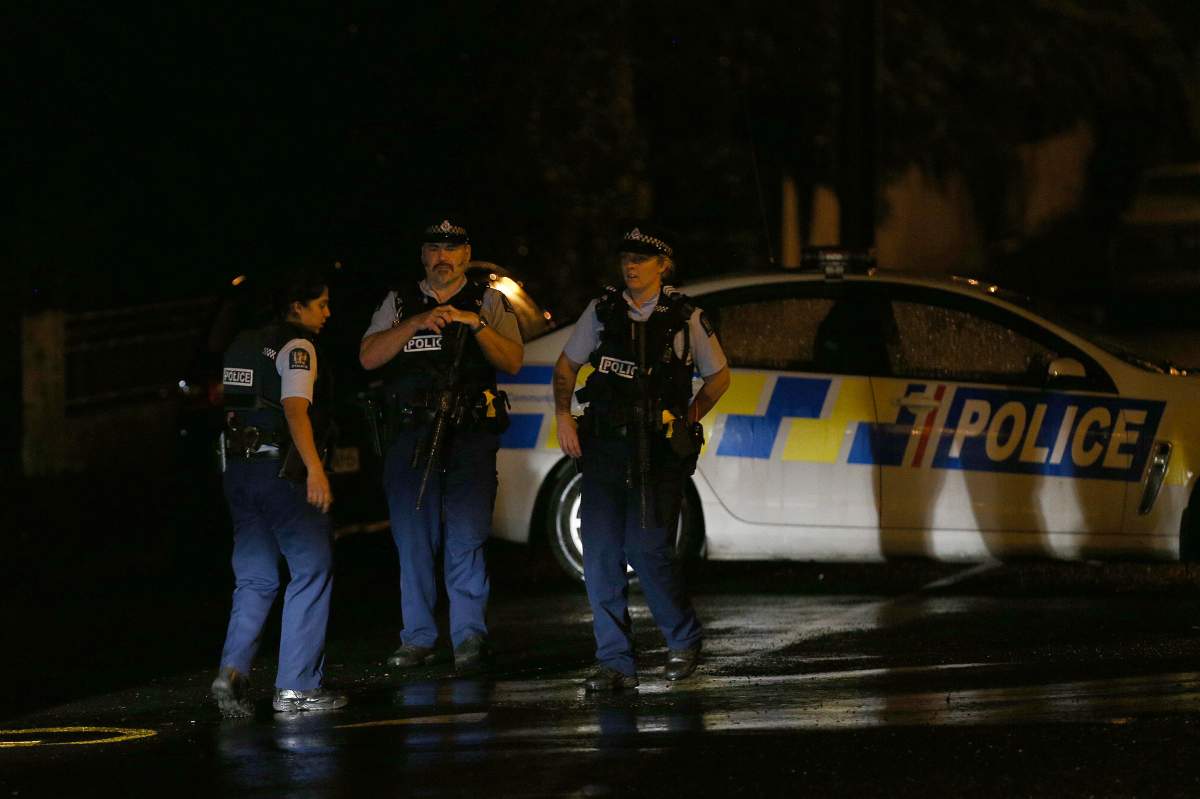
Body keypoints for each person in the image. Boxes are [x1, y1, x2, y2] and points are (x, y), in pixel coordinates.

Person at [553, 222, 731, 691]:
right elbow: (567, 366)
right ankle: (615, 663)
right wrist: (563, 416)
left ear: (663, 266)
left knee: (647, 549)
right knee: (600, 554)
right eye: (625, 259)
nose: (630, 266)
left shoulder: (686, 317)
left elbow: (719, 377)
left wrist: (687, 417)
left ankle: (683, 640)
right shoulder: (603, 310)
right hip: (605, 446)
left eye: (640, 259)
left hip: (657, 450)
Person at [359, 217, 523, 672]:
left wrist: (476, 325)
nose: (442, 258)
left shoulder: (488, 300)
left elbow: (513, 359)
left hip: (469, 435)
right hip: (411, 435)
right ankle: (418, 638)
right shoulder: (399, 301)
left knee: (466, 537)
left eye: (451, 249)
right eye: (434, 249)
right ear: (423, 256)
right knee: (413, 539)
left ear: (466, 255)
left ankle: (469, 637)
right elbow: (368, 356)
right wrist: (415, 322)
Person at [210, 266, 348, 716]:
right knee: (312, 567)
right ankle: (297, 687)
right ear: (296, 307)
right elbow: (295, 411)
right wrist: (316, 471)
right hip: (280, 474)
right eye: (321, 304)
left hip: (238, 473)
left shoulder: (240, 343)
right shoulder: (298, 347)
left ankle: (232, 671)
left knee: (255, 577)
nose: (327, 313)